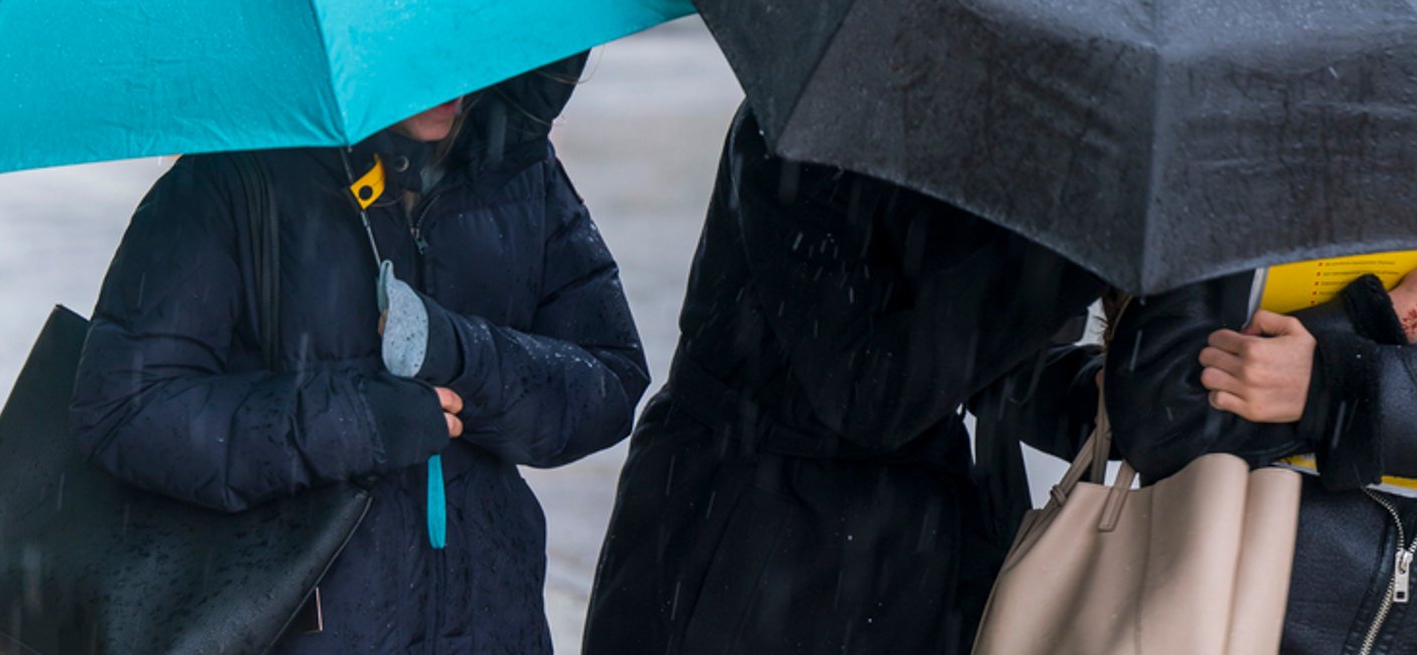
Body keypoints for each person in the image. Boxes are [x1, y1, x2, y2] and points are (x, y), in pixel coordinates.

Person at [70, 53, 648, 655]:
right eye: (420, 45)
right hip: (300, 624)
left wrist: (460, 353)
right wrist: (357, 422)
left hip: (492, 626)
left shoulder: (519, 170)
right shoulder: (229, 182)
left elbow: (606, 382)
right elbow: (127, 411)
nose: (448, 71)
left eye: (458, 36)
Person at [581, 103, 1105, 655]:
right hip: (746, 547)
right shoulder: (801, 129)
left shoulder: (986, 137)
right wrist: (1059, 266)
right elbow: (869, 389)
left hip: (913, 564)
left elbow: (992, 371)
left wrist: (1131, 393)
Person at [1104, 113, 1417, 655]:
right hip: (1239, 615)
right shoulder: (1215, 146)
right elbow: (1159, 415)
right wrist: (1373, 324)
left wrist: (1333, 385)